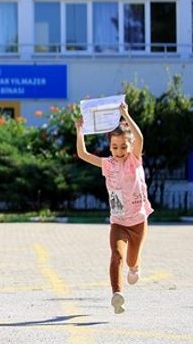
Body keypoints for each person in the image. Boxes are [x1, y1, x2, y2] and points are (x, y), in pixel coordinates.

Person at [75, 101, 152, 314]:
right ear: (110, 147)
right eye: (115, 147)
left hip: (138, 220)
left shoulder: (134, 160)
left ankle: (135, 267)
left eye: (123, 147)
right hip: (118, 221)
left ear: (130, 146)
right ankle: (117, 294)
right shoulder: (108, 164)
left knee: (131, 260)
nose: (119, 151)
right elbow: (83, 154)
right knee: (116, 255)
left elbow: (140, 138)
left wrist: (125, 115)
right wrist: (79, 130)